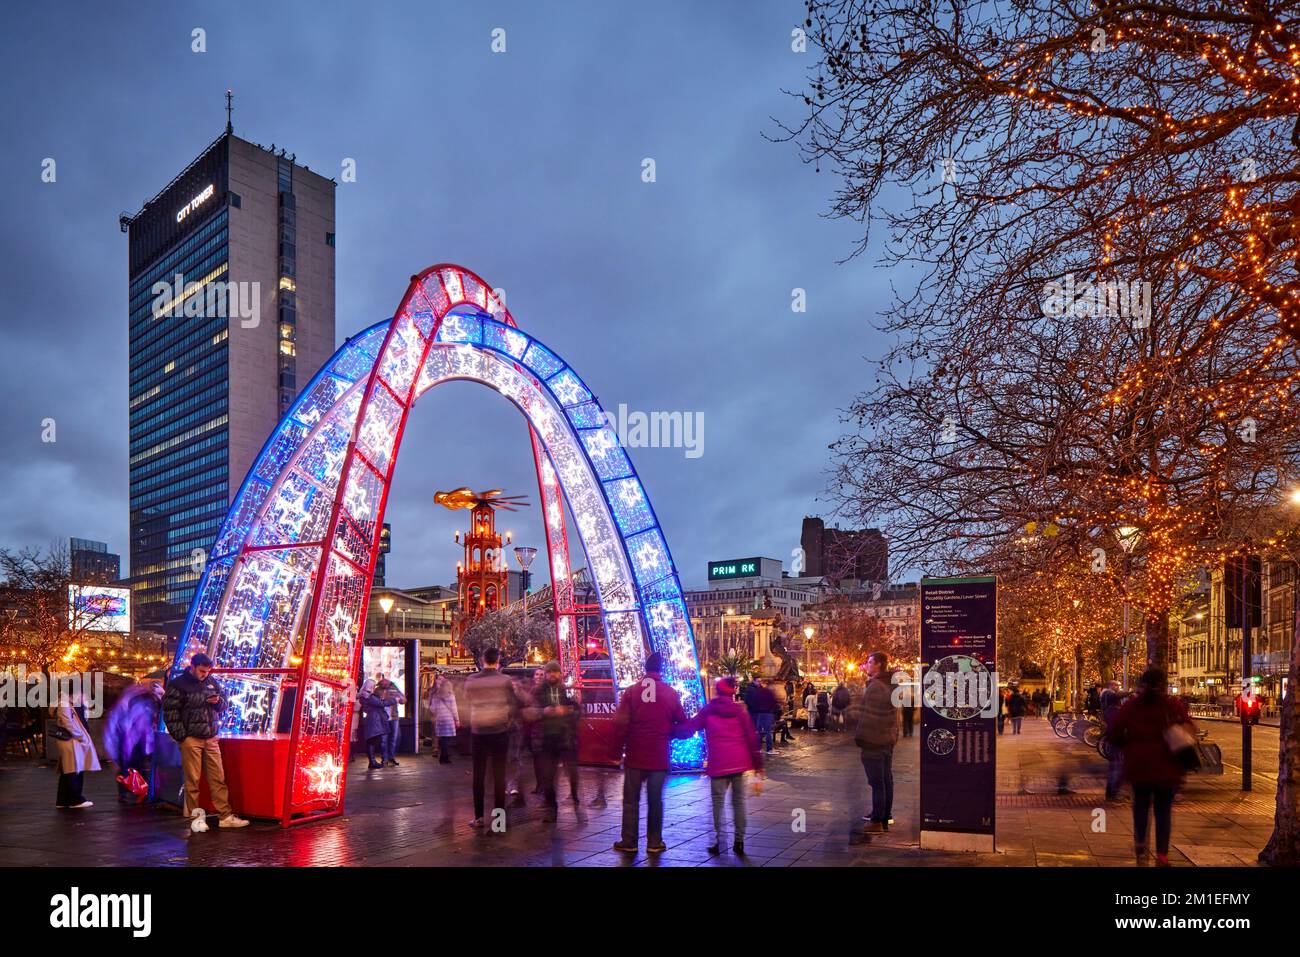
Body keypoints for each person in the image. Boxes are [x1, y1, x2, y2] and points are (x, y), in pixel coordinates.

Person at [1105, 668, 1194, 866]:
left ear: (1141, 685)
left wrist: (1127, 744)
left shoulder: (1132, 706)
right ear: (1164, 684)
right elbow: (1189, 729)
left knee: (1140, 806)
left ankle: (1141, 844)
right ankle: (1162, 855)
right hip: (1166, 767)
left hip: (1139, 765)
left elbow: (1114, 733)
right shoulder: (1172, 706)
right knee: (1163, 811)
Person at [611, 652, 689, 854]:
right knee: (655, 801)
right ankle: (654, 842)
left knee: (630, 800)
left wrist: (617, 750)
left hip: (635, 755)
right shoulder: (670, 693)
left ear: (645, 670)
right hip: (658, 756)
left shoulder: (631, 691)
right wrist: (669, 732)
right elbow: (682, 722)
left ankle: (629, 841)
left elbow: (621, 724)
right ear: (661, 670)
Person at [161, 653, 249, 829]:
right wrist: (182, 737)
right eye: (202, 671)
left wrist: (217, 702)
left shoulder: (212, 681)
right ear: (192, 667)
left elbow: (224, 705)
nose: (205, 674)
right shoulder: (178, 684)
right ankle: (196, 819)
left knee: (218, 778)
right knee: (192, 780)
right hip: (191, 738)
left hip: (210, 737)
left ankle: (225, 816)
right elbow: (170, 711)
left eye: (207, 671)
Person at [683, 676, 764, 855]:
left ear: (717, 691)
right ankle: (739, 841)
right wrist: (758, 765)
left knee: (718, 803)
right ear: (733, 692)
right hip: (739, 763)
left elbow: (691, 726)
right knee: (739, 802)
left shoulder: (709, 710)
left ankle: (719, 841)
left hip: (719, 763)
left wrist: (670, 731)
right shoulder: (739, 710)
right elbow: (751, 738)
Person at [463, 647, 524, 828]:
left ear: (482, 660)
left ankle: (479, 817)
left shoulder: (471, 680)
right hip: (499, 731)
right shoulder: (505, 680)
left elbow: (468, 701)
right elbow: (513, 703)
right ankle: (499, 821)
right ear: (497, 661)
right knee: (499, 776)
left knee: (478, 775)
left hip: (479, 731)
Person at [528, 661, 581, 822]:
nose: (552, 675)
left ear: (559, 674)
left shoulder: (566, 691)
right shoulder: (538, 691)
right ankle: (552, 809)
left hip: (565, 738)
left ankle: (575, 796)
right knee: (548, 777)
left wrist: (566, 710)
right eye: (549, 672)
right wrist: (543, 712)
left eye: (555, 672)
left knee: (572, 772)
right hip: (546, 739)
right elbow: (530, 711)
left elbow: (577, 709)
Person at [854, 651, 900, 834]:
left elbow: (869, 716)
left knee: (877, 782)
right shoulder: (890, 684)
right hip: (887, 739)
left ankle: (876, 822)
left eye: (870, 662)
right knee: (886, 779)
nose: (867, 665)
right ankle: (884, 815)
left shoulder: (876, 687)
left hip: (874, 740)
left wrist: (860, 737)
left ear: (879, 664)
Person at [103, 682, 163, 802]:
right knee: (131, 767)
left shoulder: (137, 701)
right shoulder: (137, 702)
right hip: (130, 740)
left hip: (133, 740)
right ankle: (132, 791)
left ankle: (134, 791)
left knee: (132, 767)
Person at [54, 688, 100, 809]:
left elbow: (84, 719)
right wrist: (80, 736)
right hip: (71, 740)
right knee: (74, 769)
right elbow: (68, 722)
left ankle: (63, 800)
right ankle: (75, 799)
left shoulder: (72, 703)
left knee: (68, 770)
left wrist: (84, 705)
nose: (84, 695)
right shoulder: (64, 703)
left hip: (73, 740)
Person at [1099, 680, 1125, 799]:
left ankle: (1112, 791)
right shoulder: (1109, 697)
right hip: (1116, 739)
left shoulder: (1110, 707)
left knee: (1115, 765)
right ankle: (1112, 792)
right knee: (1116, 765)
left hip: (1113, 738)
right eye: (1117, 686)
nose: (1118, 688)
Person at [427, 672, 459, 764]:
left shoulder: (436, 695)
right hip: (448, 720)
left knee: (443, 738)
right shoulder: (451, 696)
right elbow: (454, 709)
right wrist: (457, 720)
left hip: (439, 719)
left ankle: (443, 757)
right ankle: (444, 757)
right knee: (447, 739)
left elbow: (432, 708)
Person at [357, 679, 389, 769]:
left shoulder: (366, 695)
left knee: (372, 741)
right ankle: (372, 761)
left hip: (372, 720)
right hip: (372, 720)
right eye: (373, 685)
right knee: (371, 741)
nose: (374, 687)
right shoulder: (367, 696)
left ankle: (372, 761)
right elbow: (379, 704)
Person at [375, 674, 405, 767]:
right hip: (383, 718)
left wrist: (399, 697)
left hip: (394, 717)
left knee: (394, 738)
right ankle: (385, 758)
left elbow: (403, 700)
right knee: (384, 739)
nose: (385, 683)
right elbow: (376, 702)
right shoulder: (377, 690)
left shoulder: (394, 688)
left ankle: (391, 757)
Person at [746, 677, 778, 753]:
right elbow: (773, 702)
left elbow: (751, 701)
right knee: (767, 731)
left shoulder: (757, 691)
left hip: (758, 713)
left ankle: (758, 748)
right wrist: (771, 709)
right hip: (766, 713)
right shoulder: (767, 691)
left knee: (759, 731)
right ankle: (769, 749)